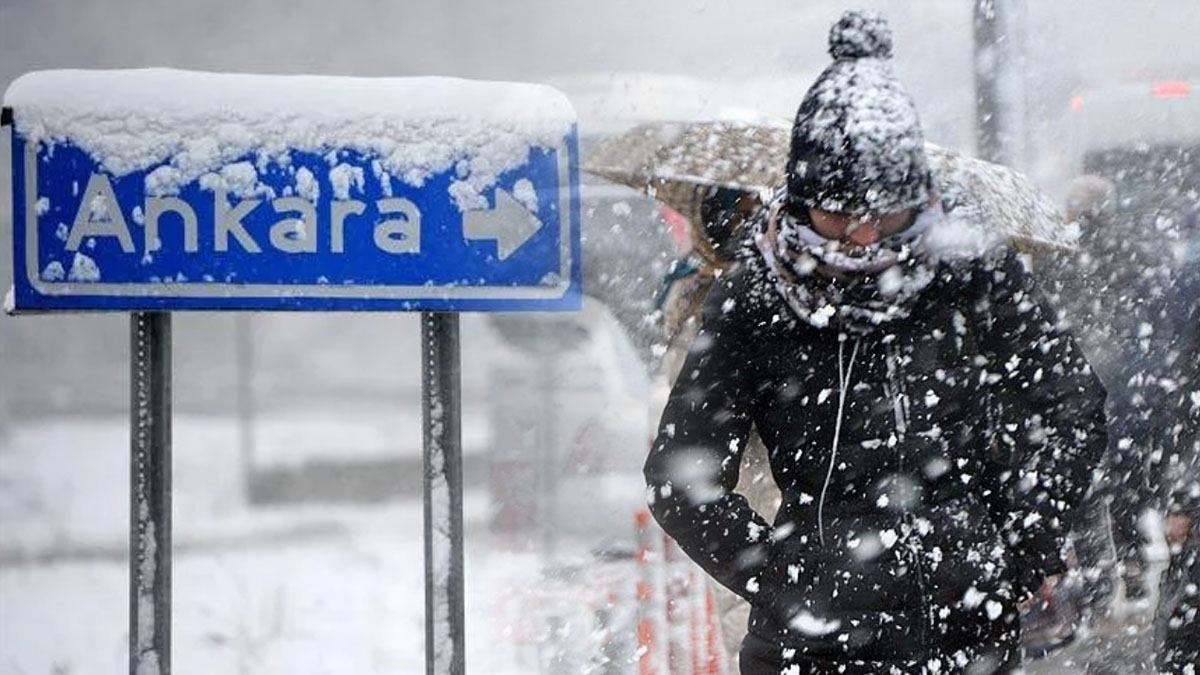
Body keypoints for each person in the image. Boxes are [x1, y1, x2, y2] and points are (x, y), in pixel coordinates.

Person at [643, 11, 1108, 674]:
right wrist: (785, 579)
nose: (861, 240)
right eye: (838, 214)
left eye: (882, 215)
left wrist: (1020, 545)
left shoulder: (971, 272)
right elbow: (679, 477)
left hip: (967, 635)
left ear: (917, 196)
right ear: (801, 201)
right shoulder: (757, 295)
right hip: (812, 649)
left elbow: (1073, 405)